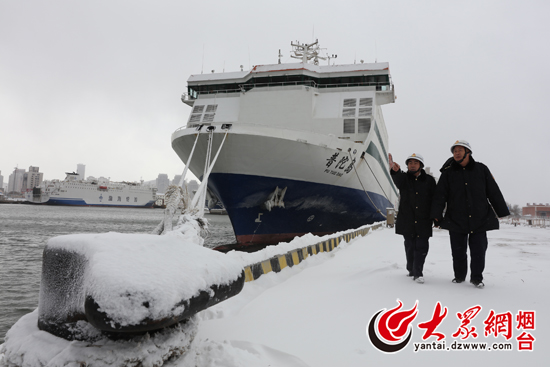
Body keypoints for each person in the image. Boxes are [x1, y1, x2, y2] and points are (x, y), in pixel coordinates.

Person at [431, 140, 510, 288]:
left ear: (468, 152)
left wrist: (501, 210)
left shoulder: (481, 169)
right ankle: (459, 276)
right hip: (456, 218)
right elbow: (440, 195)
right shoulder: (448, 173)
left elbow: (493, 190)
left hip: (480, 218)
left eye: (460, 150)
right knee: (458, 251)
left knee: (478, 251)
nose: (457, 153)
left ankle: (476, 278)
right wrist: (436, 214)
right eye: (455, 151)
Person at [389, 153, 436, 284]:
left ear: (421, 165)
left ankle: (418, 272)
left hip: (424, 219)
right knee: (410, 246)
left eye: (415, 163)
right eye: (410, 163)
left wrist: (436, 216)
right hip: (407, 219)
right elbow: (397, 180)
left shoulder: (430, 181)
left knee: (421, 246)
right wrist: (395, 171)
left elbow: (435, 199)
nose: (413, 165)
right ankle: (411, 268)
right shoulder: (404, 179)